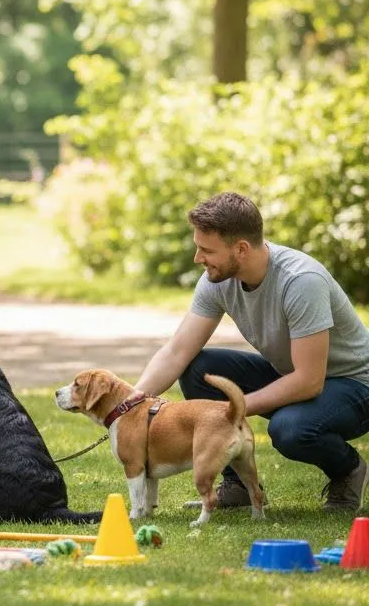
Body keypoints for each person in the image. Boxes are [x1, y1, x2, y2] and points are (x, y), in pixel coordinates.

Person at [129, 191, 369, 512]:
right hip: (294, 374)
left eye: (206, 250)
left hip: (355, 385)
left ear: (241, 249)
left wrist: (228, 410)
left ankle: (348, 470)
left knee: (289, 429)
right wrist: (131, 401)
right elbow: (177, 351)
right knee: (199, 368)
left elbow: (310, 381)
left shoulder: (301, 281)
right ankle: (239, 485)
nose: (198, 258)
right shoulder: (216, 280)